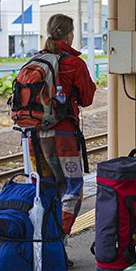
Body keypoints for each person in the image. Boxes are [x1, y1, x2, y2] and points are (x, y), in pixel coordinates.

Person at [29, 14, 96, 255]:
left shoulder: (35, 60)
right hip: (64, 137)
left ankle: (41, 242)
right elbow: (87, 98)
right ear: (69, 35)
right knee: (73, 187)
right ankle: (58, 241)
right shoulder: (74, 63)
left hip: (35, 139)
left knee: (46, 188)